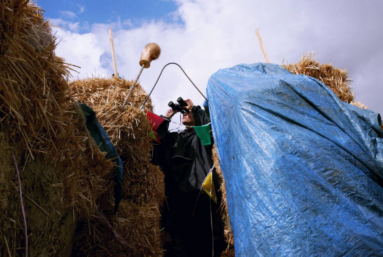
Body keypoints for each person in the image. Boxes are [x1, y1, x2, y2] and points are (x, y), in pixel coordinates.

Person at [152, 99, 226, 257]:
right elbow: (155, 140)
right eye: (184, 112)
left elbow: (212, 126)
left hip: (203, 197)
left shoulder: (202, 138)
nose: (185, 113)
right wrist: (168, 117)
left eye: (188, 112)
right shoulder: (175, 139)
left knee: (208, 244)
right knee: (181, 248)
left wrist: (194, 109)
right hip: (177, 202)